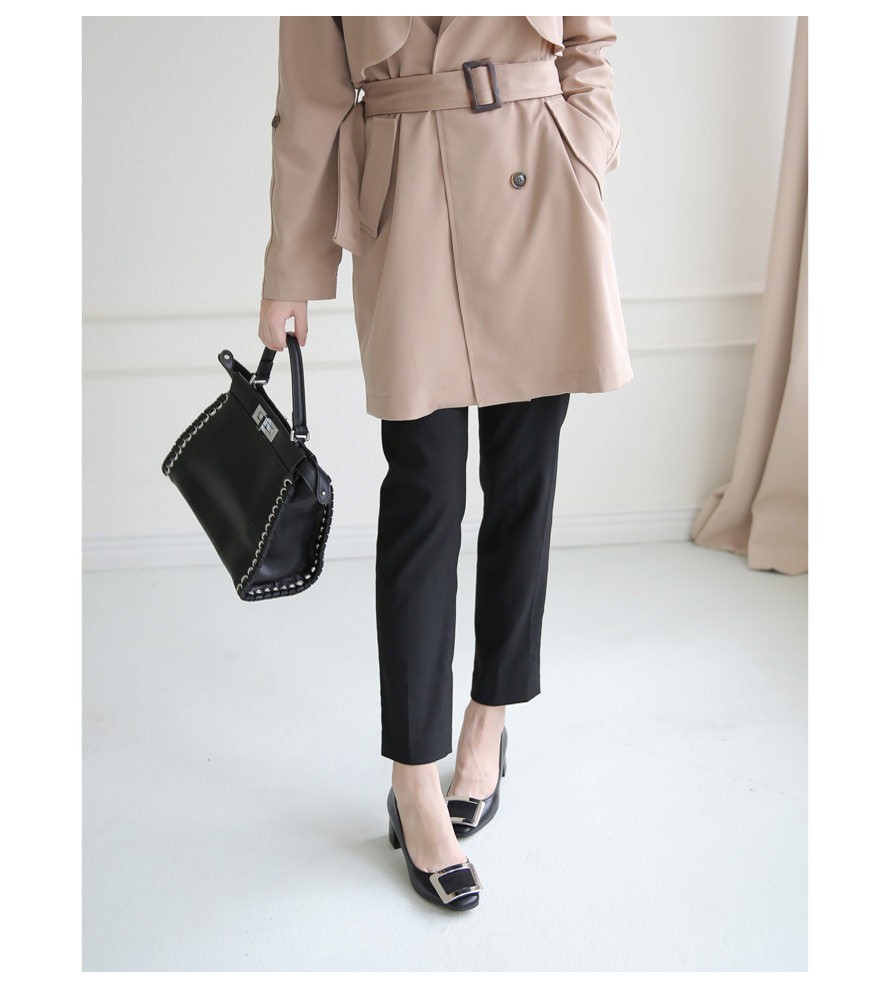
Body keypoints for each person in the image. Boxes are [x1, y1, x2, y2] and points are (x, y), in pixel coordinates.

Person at [257, 15, 633, 911]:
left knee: (523, 484)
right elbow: (310, 100)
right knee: (424, 497)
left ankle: (487, 726)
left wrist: (585, 143)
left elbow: (589, 39)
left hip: (539, 180)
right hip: (411, 201)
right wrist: (290, 269)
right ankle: (414, 778)